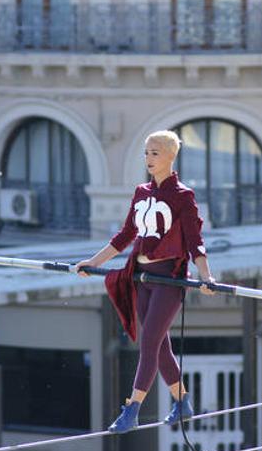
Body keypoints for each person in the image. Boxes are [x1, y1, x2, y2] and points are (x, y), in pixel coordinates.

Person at [73, 129, 218, 433]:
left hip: (168, 280)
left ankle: (132, 408)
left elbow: (195, 241)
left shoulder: (183, 196)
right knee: (159, 346)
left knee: (150, 342)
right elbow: (125, 235)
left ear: (170, 156)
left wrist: (206, 277)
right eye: (146, 152)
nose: (148, 158)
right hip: (141, 277)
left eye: (155, 153)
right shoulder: (141, 192)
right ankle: (182, 403)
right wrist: (93, 262)